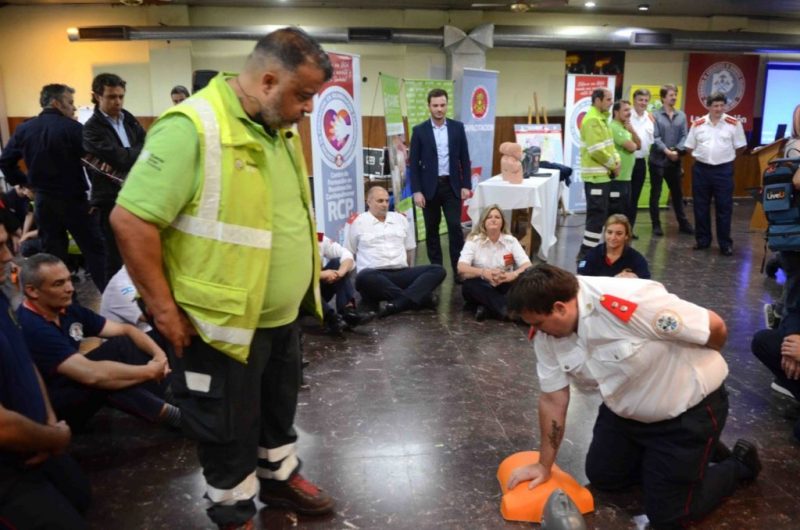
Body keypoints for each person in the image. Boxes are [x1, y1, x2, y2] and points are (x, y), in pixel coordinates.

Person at [110, 27, 335, 529]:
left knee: (277, 411)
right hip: (219, 325)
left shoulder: (277, 126)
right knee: (226, 426)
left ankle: (278, 477)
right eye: (304, 95)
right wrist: (163, 311)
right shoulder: (191, 127)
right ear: (268, 80)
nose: (309, 108)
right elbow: (130, 220)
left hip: (279, 317)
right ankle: (233, 510)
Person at [505, 264, 761, 530]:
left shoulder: (630, 302)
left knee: (670, 516)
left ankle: (738, 463)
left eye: (538, 324)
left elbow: (715, 327)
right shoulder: (547, 334)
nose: (537, 331)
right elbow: (553, 399)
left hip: (686, 413)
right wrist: (544, 465)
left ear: (560, 308)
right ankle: (691, 456)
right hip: (625, 410)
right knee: (604, 478)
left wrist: (700, 363)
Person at [0, 210, 91, 530]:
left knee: (79, 495)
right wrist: (52, 437)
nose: (8, 256)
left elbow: (24, 362)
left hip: (37, 435)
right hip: (8, 463)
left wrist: (48, 420)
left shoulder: (2, 298)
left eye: (6, 244)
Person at [17, 253, 178, 430]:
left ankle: (173, 395)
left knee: (123, 346)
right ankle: (177, 417)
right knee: (103, 379)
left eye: (69, 280)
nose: (70, 288)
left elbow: (127, 329)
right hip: (49, 412)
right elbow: (92, 375)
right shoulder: (32, 327)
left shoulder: (67, 310)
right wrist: (148, 372)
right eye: (58, 284)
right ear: (32, 291)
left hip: (69, 382)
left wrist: (159, 356)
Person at [0, 83, 107, 292]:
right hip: (74, 199)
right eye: (70, 103)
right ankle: (110, 296)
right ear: (57, 103)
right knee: (95, 251)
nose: (73, 108)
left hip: (44, 201)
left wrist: (26, 183)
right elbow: (93, 165)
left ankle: (59, 301)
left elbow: (5, 162)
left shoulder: (24, 128)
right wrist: (97, 197)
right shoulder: (74, 129)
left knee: (53, 256)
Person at [83, 72, 147, 282]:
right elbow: (120, 160)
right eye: (111, 97)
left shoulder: (128, 119)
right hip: (110, 198)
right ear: (97, 96)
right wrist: (134, 153)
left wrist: (131, 153)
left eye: (121, 96)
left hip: (136, 193)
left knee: (138, 249)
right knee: (114, 254)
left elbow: (148, 145)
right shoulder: (91, 129)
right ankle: (116, 296)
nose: (117, 102)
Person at [346, 186, 446, 318]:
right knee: (364, 276)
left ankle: (399, 303)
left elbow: (409, 250)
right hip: (374, 276)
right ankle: (418, 299)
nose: (385, 204)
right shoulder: (358, 222)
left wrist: (409, 272)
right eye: (380, 201)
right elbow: (349, 253)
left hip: (400, 272)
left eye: (387, 201)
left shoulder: (400, 219)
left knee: (438, 270)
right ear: (368, 202)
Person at [409, 88, 471, 276]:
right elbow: (414, 164)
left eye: (442, 105)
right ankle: (436, 271)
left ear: (447, 105)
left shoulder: (457, 128)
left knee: (454, 227)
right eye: (435, 105)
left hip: (452, 186)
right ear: (429, 106)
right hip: (429, 188)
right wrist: (417, 191)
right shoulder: (419, 131)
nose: (439, 109)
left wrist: (466, 185)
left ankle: (458, 270)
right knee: (431, 230)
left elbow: (464, 157)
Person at [685, 92, 747, 256]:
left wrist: (727, 158)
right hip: (701, 170)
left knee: (724, 208)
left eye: (722, 105)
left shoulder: (733, 124)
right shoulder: (698, 124)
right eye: (715, 106)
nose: (719, 109)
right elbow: (689, 147)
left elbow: (741, 147)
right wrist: (702, 158)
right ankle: (703, 241)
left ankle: (725, 244)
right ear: (708, 106)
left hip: (723, 170)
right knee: (700, 207)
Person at [456, 205, 530, 321]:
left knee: (522, 283)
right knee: (470, 286)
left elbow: (527, 266)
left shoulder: (511, 241)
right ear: (483, 222)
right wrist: (483, 272)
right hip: (481, 283)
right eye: (489, 217)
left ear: (502, 222)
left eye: (497, 217)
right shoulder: (473, 241)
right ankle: (508, 312)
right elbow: (461, 267)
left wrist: (512, 275)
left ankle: (487, 309)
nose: (493, 219)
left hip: (504, 282)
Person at [577, 88, 621, 261]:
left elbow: (610, 146)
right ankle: (586, 255)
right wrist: (613, 165)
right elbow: (596, 150)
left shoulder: (602, 119)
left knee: (600, 216)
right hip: (596, 178)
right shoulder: (593, 120)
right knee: (596, 218)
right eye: (608, 99)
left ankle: (591, 253)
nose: (611, 102)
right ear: (597, 100)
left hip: (604, 176)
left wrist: (617, 161)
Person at [649, 84, 694, 237]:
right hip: (658, 160)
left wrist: (677, 151)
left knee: (677, 193)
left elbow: (685, 135)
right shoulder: (654, 115)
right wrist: (667, 151)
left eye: (675, 95)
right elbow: (655, 137)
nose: (674, 97)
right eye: (671, 95)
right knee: (656, 193)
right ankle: (656, 225)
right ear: (663, 98)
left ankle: (683, 223)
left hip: (675, 160)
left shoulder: (681, 115)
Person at [317, 232, 375, 335]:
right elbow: (292, 275)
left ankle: (347, 312)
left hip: (319, 291)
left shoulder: (318, 239)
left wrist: (339, 273)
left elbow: (346, 254)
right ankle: (332, 319)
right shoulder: (290, 241)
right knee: (302, 285)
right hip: (300, 298)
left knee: (338, 262)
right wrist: (321, 274)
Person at [577, 213, 650, 279]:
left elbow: (647, 282)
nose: (613, 237)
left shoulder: (637, 259)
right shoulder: (592, 255)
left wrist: (635, 278)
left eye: (619, 233)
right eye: (609, 232)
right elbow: (581, 278)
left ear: (626, 236)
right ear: (604, 233)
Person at [628, 88, 654, 236]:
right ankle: (618, 230)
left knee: (634, 198)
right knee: (623, 198)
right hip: (626, 161)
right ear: (634, 100)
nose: (643, 103)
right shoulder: (626, 115)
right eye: (640, 100)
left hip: (640, 162)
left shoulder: (650, 118)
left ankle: (629, 229)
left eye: (646, 100)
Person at [608, 99, 641, 218]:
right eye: (626, 110)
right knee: (616, 213)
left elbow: (639, 145)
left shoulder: (626, 128)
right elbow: (632, 147)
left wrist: (632, 131)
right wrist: (634, 144)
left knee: (624, 212)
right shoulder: (614, 127)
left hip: (626, 178)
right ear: (616, 112)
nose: (629, 113)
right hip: (617, 178)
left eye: (629, 110)